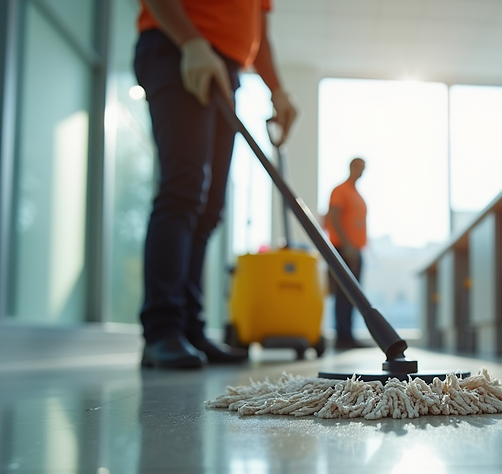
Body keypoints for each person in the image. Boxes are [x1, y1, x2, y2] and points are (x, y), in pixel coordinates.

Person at [136, 0, 297, 368]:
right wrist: (191, 43)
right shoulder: (184, 44)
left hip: (225, 67)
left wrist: (279, 90)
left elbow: (259, 33)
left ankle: (190, 330)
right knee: (183, 191)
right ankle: (162, 330)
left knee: (209, 208)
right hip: (177, 48)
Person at [325, 158, 368, 350]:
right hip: (344, 250)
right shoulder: (341, 191)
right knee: (343, 294)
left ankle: (348, 335)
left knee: (352, 295)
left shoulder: (356, 194)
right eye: (359, 167)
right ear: (351, 167)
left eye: (364, 168)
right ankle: (343, 337)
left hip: (356, 250)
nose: (362, 171)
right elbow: (333, 217)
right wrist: (348, 246)